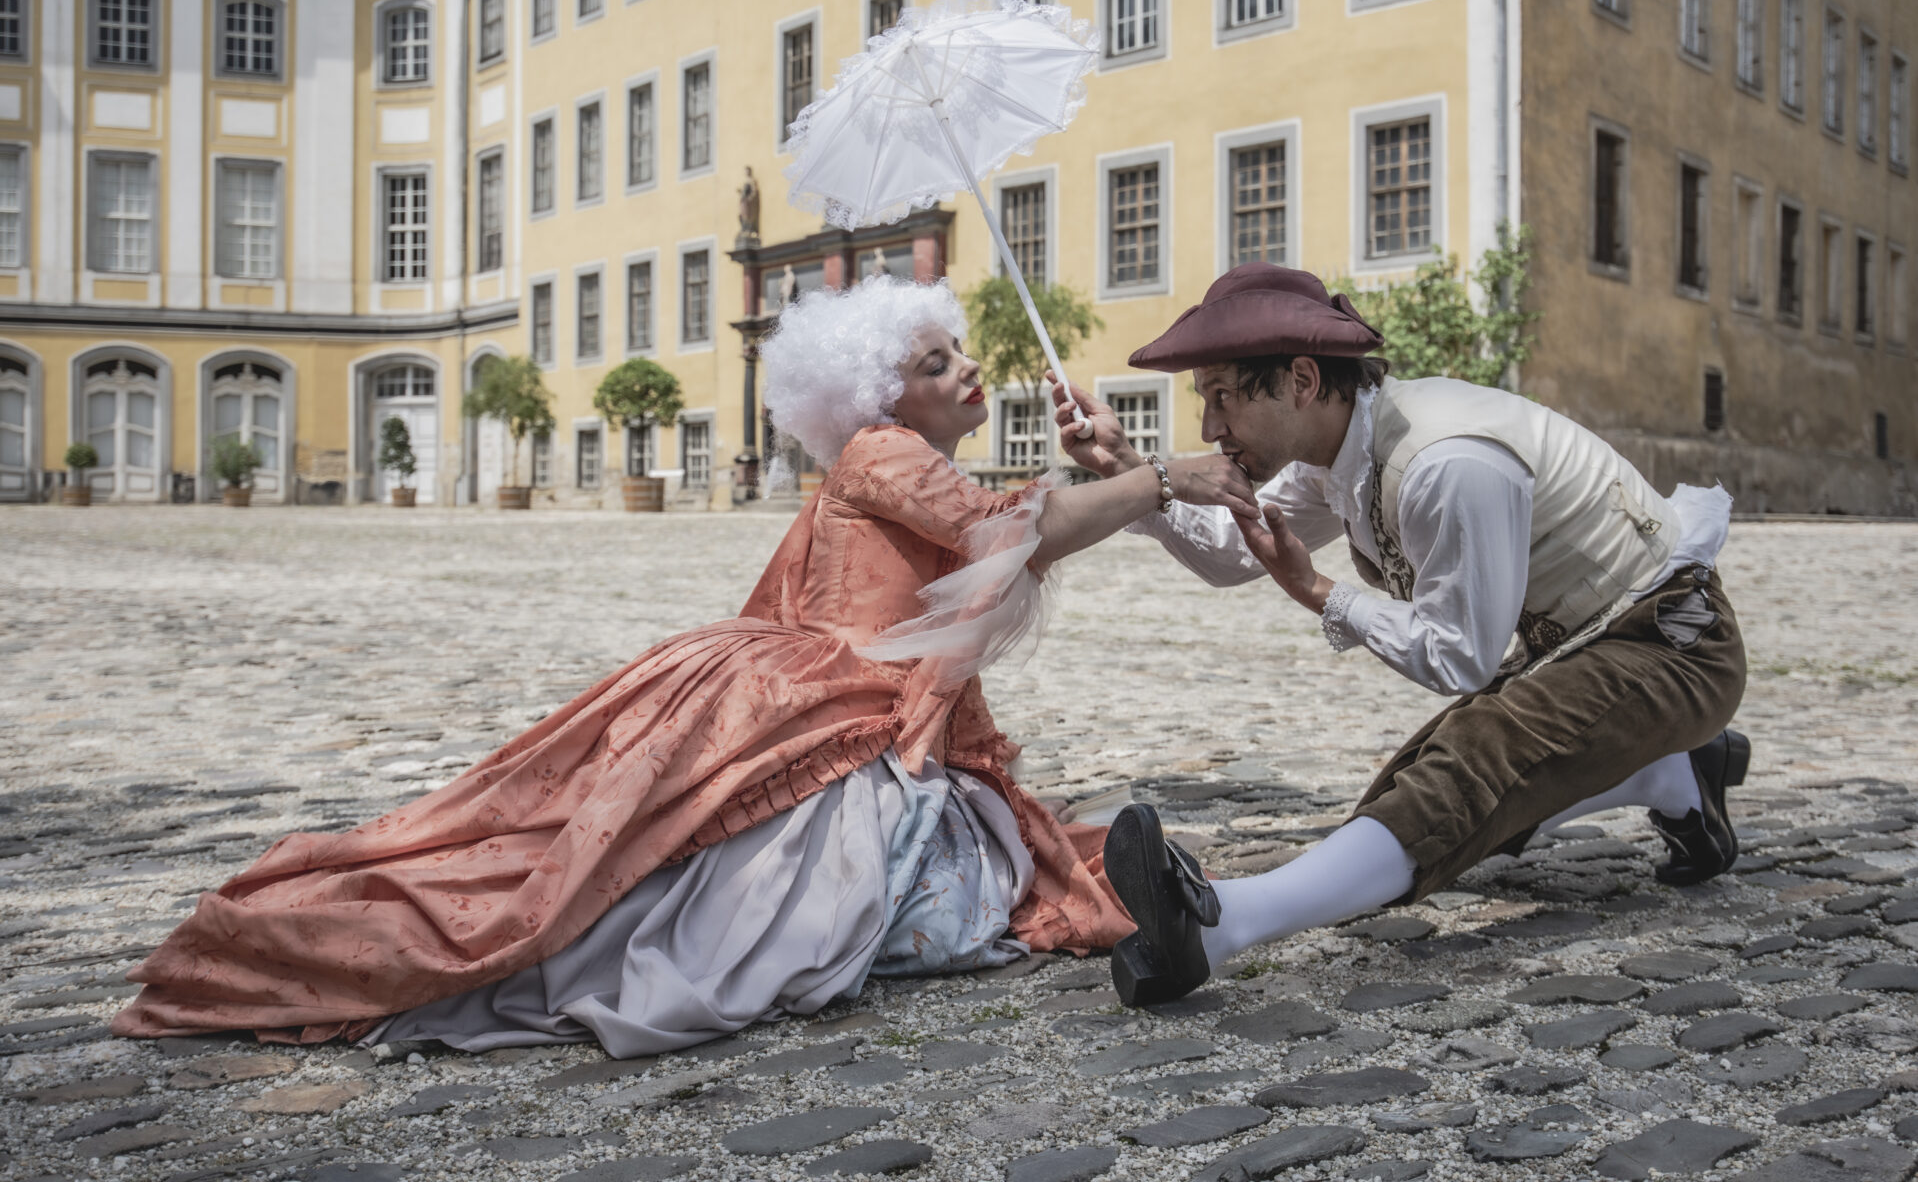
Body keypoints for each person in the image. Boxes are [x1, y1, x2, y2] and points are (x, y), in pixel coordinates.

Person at [112, 276, 1257, 1055]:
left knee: (961, 874)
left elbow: (1007, 519)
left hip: (862, 709)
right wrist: (1162, 477)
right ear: (874, 393)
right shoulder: (883, 451)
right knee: (716, 911)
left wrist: (1112, 466)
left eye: (958, 352)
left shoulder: (895, 452)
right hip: (838, 712)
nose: (966, 369)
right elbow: (1007, 531)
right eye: (932, 359)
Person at [1052, 263, 1748, 1006]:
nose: (1208, 427)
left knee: (1470, 766)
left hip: (1673, 644)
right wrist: (1131, 472)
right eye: (1205, 400)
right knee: (1415, 776)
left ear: (1303, 380)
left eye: (1223, 396)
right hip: (1581, 648)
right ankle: (1675, 775)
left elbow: (1462, 656)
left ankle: (1219, 924)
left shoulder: (1443, 462)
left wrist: (1316, 589)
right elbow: (1229, 554)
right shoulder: (1339, 453)